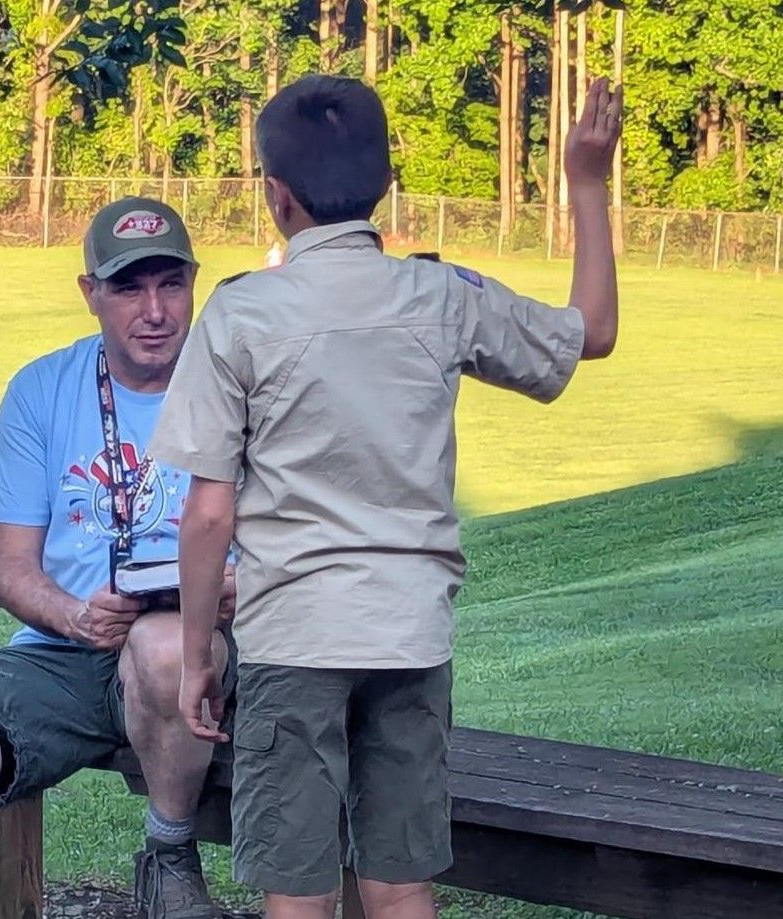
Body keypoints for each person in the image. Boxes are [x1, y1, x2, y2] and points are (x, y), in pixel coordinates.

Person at [150, 74, 622, 919]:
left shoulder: (240, 313)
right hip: (410, 632)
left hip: (293, 636)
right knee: (399, 882)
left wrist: (194, 659)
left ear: (276, 195)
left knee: (298, 889)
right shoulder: (441, 297)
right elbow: (589, 333)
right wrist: (585, 182)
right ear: (386, 186)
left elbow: (210, 513)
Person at [0, 197, 234, 919]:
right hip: (63, 650)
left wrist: (231, 591)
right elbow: (7, 563)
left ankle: (169, 854)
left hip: (199, 650)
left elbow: (292, 553)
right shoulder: (41, 389)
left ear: (194, 282)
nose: (155, 310)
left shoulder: (237, 387)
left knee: (160, 645)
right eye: (128, 287)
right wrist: (73, 613)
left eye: (171, 284)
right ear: (90, 293)